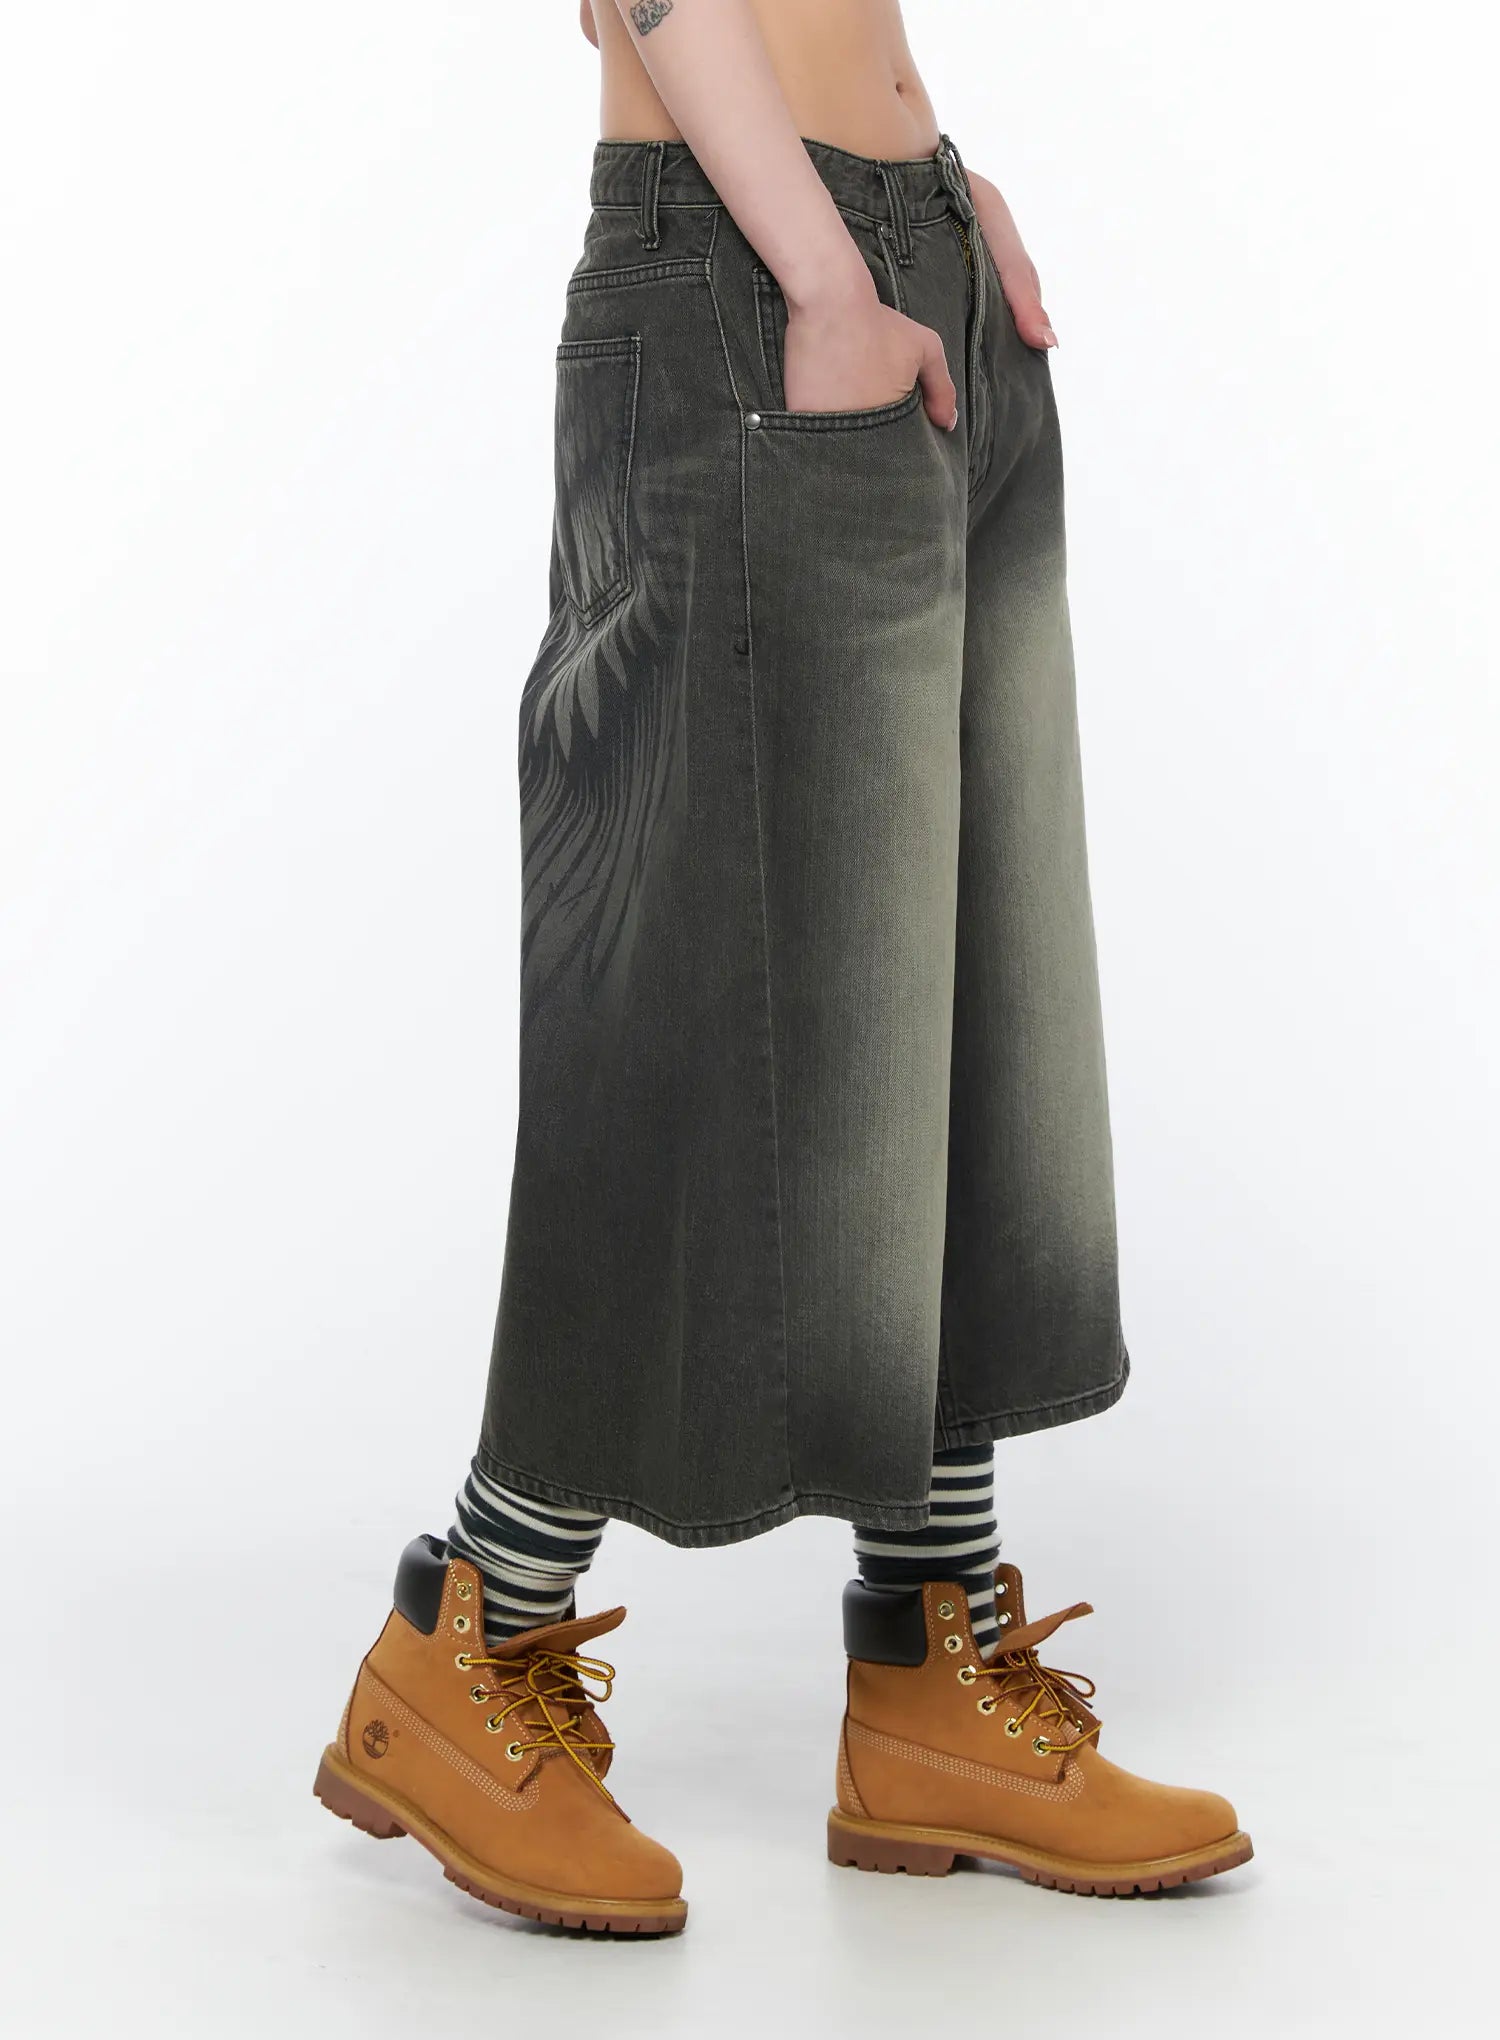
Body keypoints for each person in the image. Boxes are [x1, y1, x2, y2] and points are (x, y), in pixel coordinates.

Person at [312, 0, 1250, 1934]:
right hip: (747, 282)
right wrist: (822, 267)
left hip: (899, 259)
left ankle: (929, 1668)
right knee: (681, 987)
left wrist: (933, 187)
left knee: (948, 985)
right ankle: (474, 1628)